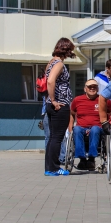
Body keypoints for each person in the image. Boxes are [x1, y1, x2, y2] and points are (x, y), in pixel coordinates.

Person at [45, 38, 75, 176]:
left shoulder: (51, 62)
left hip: (51, 105)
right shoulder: (59, 64)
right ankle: (54, 168)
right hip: (59, 105)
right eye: (70, 50)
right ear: (66, 49)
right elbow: (50, 81)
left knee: (52, 137)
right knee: (57, 137)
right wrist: (54, 100)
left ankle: (49, 168)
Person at [70, 79, 111, 171]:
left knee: (95, 129)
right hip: (81, 127)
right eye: (89, 87)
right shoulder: (77, 100)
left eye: (94, 87)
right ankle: (82, 159)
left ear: (97, 89)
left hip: (98, 128)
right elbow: (72, 113)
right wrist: (70, 128)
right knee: (76, 129)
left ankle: (91, 159)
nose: (92, 88)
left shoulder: (103, 100)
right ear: (85, 89)